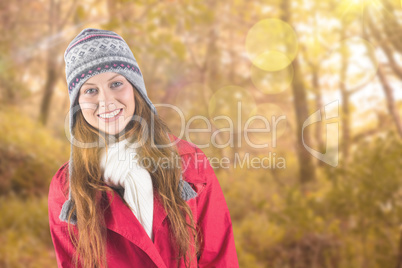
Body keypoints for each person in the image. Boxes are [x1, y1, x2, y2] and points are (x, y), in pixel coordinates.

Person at [48, 28, 239, 268]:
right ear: (78, 103)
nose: (106, 101)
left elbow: (218, 255)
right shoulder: (68, 187)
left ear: (136, 89)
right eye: (90, 90)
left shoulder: (187, 160)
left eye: (116, 83)